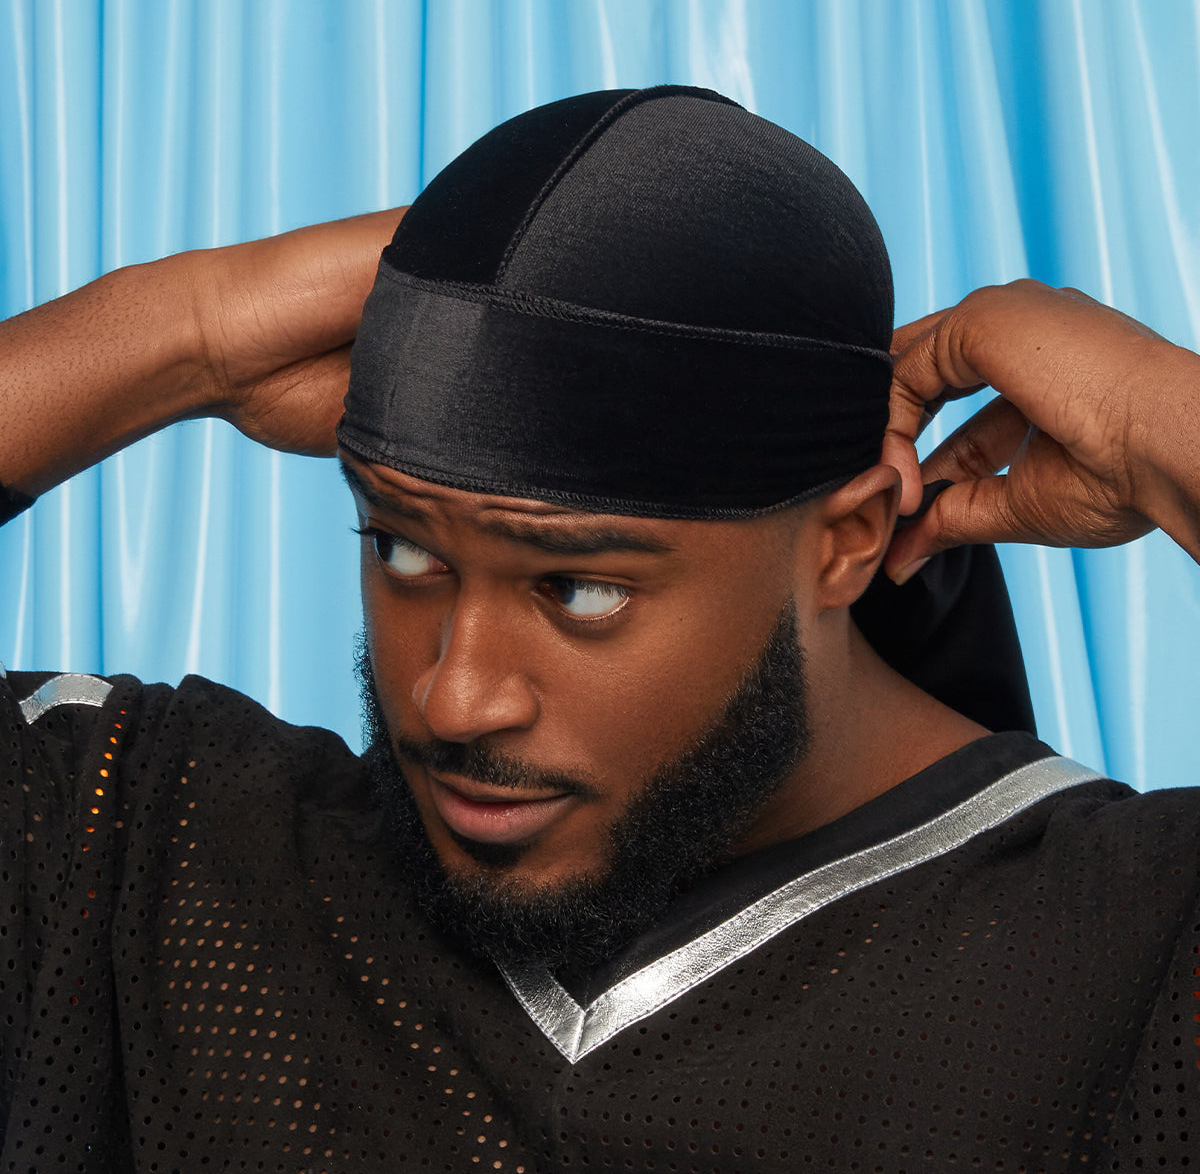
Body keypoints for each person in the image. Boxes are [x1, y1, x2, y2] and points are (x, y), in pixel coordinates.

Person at [1, 86, 1197, 1172]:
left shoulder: (1135, 959)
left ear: (844, 541)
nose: (456, 698)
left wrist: (1163, 421)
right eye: (404, 550)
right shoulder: (152, 851)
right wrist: (179, 331)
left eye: (580, 589)